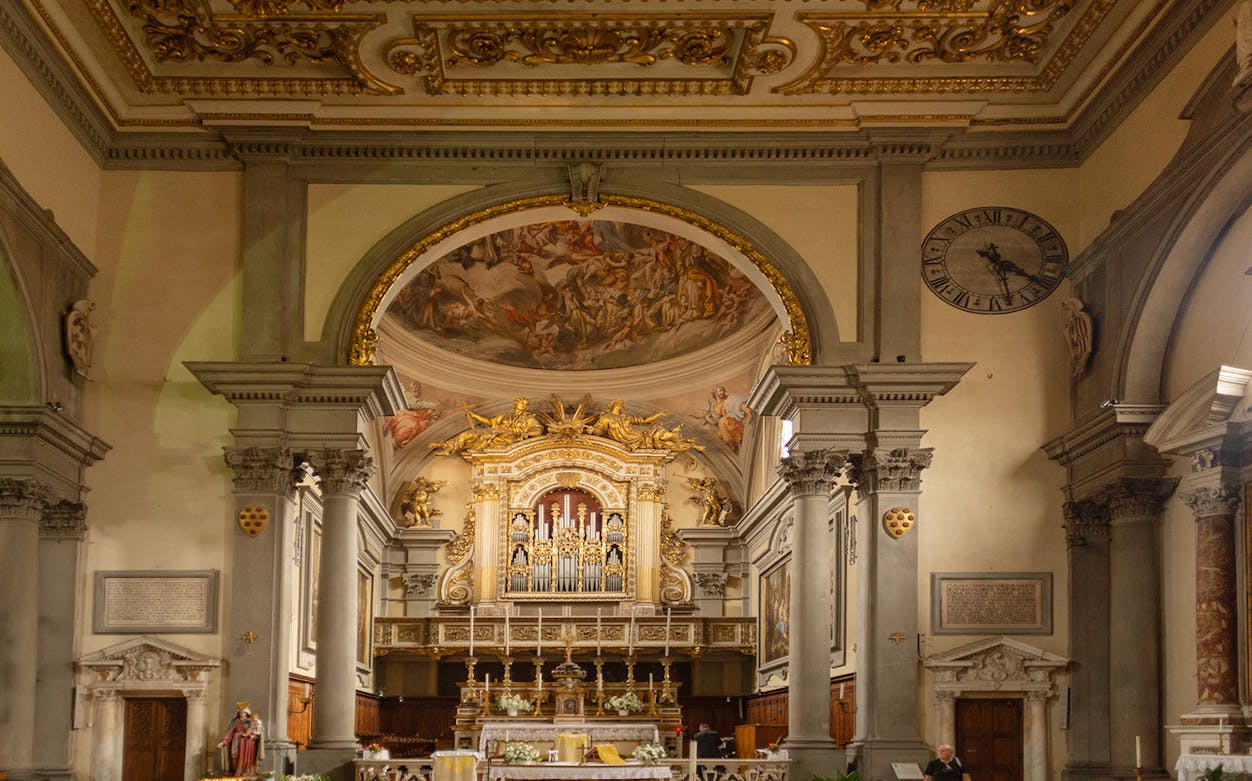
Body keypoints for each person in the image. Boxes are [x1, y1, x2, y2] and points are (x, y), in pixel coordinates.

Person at [218, 705, 264, 775]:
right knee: (237, 759)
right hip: (238, 743)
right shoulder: (234, 722)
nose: (242, 714)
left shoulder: (251, 720)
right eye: (240, 712)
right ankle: (238, 771)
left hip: (249, 743)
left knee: (249, 760)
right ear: (238, 713)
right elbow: (229, 734)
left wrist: (254, 734)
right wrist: (223, 742)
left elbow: (259, 730)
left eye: (244, 712)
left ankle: (249, 772)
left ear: (247, 713)